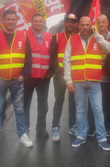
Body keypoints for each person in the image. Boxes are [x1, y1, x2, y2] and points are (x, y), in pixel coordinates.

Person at [0, 9, 33, 150]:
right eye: (8, 19)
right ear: (3, 21)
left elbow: (28, 57)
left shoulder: (23, 36)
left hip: (18, 79)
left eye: (13, 19)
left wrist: (24, 75)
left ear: (17, 20)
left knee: (19, 108)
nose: (11, 21)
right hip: (0, 80)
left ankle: (23, 135)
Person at [63, 16, 110, 151]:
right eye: (83, 25)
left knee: (98, 110)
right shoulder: (72, 40)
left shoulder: (97, 38)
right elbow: (66, 61)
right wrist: (69, 81)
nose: (85, 27)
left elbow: (109, 49)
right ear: (79, 26)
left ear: (92, 26)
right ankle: (81, 135)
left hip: (94, 81)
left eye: (88, 25)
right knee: (80, 110)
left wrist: (97, 35)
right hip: (78, 81)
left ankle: (102, 138)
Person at [49, 13, 78, 141]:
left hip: (75, 77)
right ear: (64, 23)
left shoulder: (79, 38)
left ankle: (72, 126)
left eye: (72, 22)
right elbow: (53, 58)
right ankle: (55, 128)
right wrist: (60, 75)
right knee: (59, 102)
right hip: (60, 77)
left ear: (76, 24)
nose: (70, 24)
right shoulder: (56, 37)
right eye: (68, 21)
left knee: (73, 103)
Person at [87, 14, 110, 137]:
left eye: (103, 22)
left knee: (107, 104)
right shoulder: (91, 36)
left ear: (107, 23)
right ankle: (92, 127)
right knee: (92, 104)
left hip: (107, 76)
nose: (101, 25)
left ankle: (107, 126)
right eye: (98, 22)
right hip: (93, 76)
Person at [24, 14, 52, 137]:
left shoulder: (49, 37)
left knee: (43, 105)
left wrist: (51, 72)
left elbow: (53, 55)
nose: (38, 23)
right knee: (25, 104)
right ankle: (24, 129)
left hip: (43, 77)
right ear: (32, 22)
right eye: (36, 21)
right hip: (28, 77)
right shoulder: (24, 36)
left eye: (41, 21)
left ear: (43, 23)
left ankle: (41, 128)